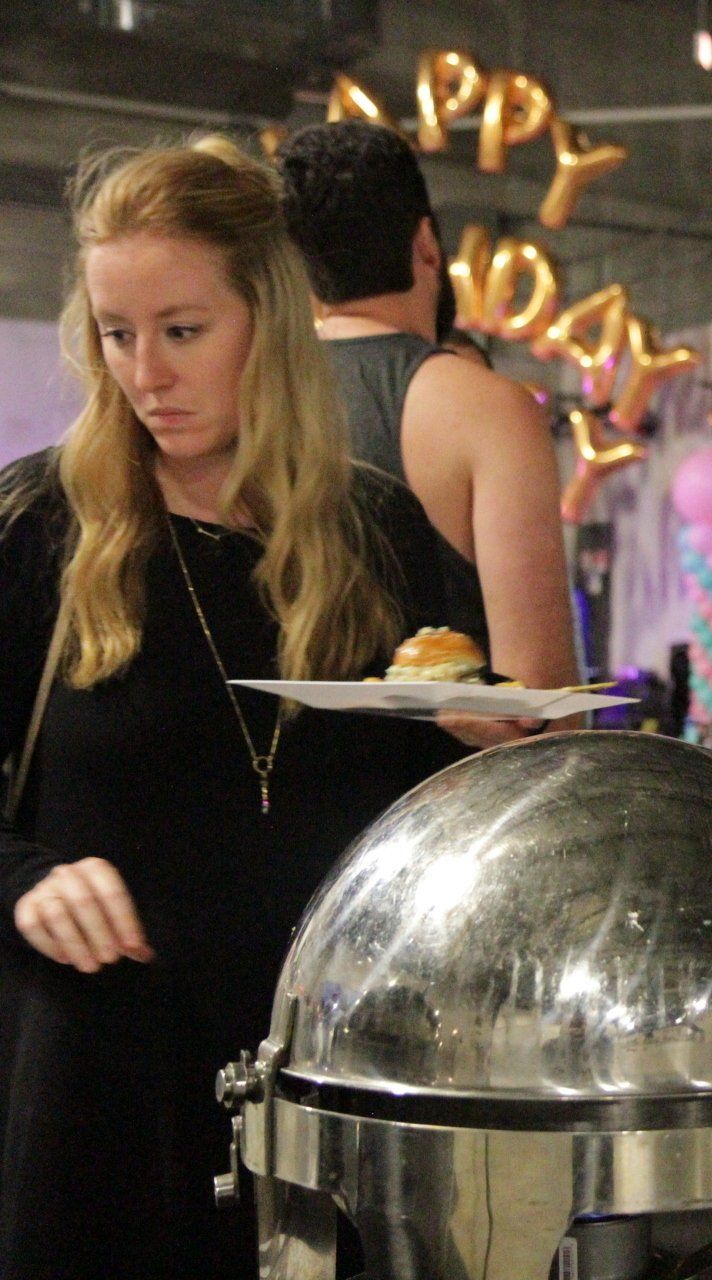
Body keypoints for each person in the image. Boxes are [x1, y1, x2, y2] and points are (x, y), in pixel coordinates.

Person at [0, 138, 469, 1277]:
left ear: (267, 316)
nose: (146, 372)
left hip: (333, 1090)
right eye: (117, 334)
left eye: (182, 330)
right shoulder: (37, 528)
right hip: (105, 1089)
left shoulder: (379, 534)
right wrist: (22, 877)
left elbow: (439, 817)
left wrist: (484, 745)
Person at [276, 121, 577, 737]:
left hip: (270, 797)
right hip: (433, 814)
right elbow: (542, 708)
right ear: (427, 244)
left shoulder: (253, 397)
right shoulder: (486, 409)